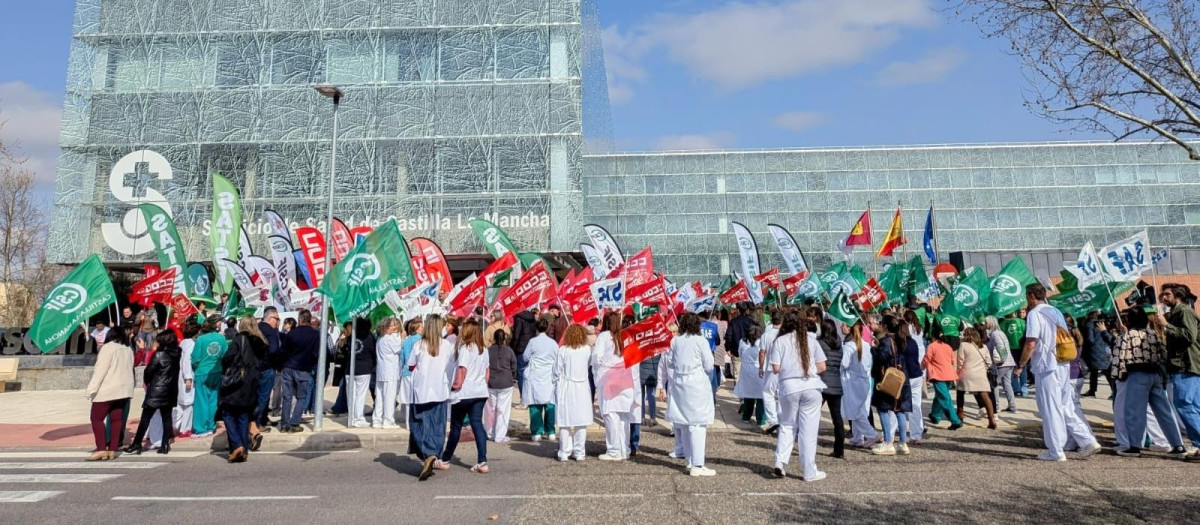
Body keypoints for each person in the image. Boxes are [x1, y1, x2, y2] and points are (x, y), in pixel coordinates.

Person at [1014, 283, 1101, 461]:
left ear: (1031, 296)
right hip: (1063, 362)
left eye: (1026, 296)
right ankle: (1087, 440)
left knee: (1050, 407)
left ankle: (1055, 450)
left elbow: (1031, 342)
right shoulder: (1055, 311)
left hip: (1046, 364)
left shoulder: (1035, 314)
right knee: (1065, 404)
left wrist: (1021, 364)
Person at [1114, 306, 1188, 458]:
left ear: (1129, 320)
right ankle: (1178, 445)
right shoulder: (1152, 334)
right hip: (1154, 373)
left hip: (1136, 373)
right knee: (1164, 411)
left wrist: (1118, 375)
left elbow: (1119, 356)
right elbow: (1163, 353)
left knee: (1134, 412)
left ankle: (1134, 446)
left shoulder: (1126, 335)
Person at [771, 308, 827, 481]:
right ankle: (809, 471)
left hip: (789, 387)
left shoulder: (780, 341)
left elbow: (776, 368)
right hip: (811, 386)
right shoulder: (811, 341)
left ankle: (780, 461)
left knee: (787, 425)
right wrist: (807, 369)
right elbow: (822, 366)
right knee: (808, 431)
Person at [660, 313, 716, 476]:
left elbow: (671, 362)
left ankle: (690, 461)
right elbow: (709, 364)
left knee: (684, 423)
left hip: (679, 383)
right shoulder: (700, 341)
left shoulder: (675, 341)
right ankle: (698, 465)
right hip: (696, 383)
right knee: (698, 425)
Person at [1155, 284, 1200, 459]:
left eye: (1167, 294)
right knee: (1194, 406)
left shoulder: (1184, 312)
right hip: (1187, 364)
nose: (1164, 298)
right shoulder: (1178, 312)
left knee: (1184, 404)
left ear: (1177, 296)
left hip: (1186, 364)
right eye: (1162, 294)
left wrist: (1167, 325)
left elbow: (1189, 336)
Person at [408, 314, 455, 481]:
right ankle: (433, 452)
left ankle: (426, 453)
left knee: (419, 423)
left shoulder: (419, 344)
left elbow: (410, 364)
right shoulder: (447, 345)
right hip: (439, 389)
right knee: (437, 424)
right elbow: (451, 365)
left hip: (421, 389)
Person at [441, 318, 491, 474]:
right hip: (480, 390)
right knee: (477, 424)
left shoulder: (465, 349)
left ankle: (445, 458)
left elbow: (462, 370)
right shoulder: (484, 349)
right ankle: (482, 460)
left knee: (456, 426)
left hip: (465, 391)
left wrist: (455, 386)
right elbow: (487, 372)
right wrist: (483, 384)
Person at [593, 311, 641, 461]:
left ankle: (614, 450)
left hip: (609, 380)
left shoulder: (604, 336)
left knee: (610, 415)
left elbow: (596, 357)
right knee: (623, 417)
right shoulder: (625, 335)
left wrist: (599, 372)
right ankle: (624, 449)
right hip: (626, 379)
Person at [125, 331, 181, 455]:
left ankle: (137, 443)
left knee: (145, 418)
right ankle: (165, 444)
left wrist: (149, 382)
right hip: (170, 390)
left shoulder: (159, 355)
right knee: (166, 419)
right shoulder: (177, 353)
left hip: (156, 390)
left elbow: (148, 372)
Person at [85, 326, 135, 461]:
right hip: (123, 390)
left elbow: (100, 369)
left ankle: (101, 448)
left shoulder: (108, 348)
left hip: (107, 389)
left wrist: (91, 389)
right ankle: (112, 449)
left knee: (96, 418)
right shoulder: (128, 349)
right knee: (116, 419)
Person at [219, 317, 264, 463]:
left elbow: (227, 358)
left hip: (237, 383)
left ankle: (237, 445)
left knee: (228, 413)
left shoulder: (240, 339)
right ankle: (243, 449)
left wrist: (228, 370)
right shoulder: (261, 341)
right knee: (244, 416)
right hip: (252, 384)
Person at [872, 316, 915, 456]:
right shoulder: (902, 339)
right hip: (902, 378)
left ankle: (888, 442)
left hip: (888, 379)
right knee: (899, 410)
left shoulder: (886, 341)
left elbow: (882, 358)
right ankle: (902, 442)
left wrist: (874, 349)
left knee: (883, 409)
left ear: (885, 326)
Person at [555, 324, 594, 462]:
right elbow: (590, 364)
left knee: (565, 421)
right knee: (580, 421)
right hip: (582, 387)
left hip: (567, 387)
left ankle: (564, 452)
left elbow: (556, 370)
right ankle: (579, 452)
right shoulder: (587, 350)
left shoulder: (563, 350)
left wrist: (556, 382)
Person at [279, 310, 320, 433]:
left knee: (287, 397)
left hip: (288, 367)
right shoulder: (315, 335)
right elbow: (316, 354)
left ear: (300, 319)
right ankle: (294, 423)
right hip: (303, 368)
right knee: (301, 397)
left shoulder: (292, 333)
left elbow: (283, 351)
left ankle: (284, 424)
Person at [841, 320, 876, 447]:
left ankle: (872, 434)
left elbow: (844, 364)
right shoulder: (866, 344)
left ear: (850, 329)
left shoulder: (849, 346)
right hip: (864, 381)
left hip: (853, 382)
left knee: (855, 411)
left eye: (844, 325)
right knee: (859, 409)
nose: (841, 326)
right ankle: (857, 437)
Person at [191, 316, 227, 438]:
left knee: (201, 400)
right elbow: (225, 356)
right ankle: (210, 426)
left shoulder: (200, 339)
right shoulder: (221, 339)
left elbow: (195, 358)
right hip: (217, 371)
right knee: (213, 400)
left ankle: (201, 428)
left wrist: (197, 368)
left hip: (202, 371)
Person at [523, 316, 558, 442]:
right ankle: (551, 431)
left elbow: (525, 357)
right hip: (549, 375)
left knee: (535, 404)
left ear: (537, 328)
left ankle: (537, 432)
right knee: (550, 404)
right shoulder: (553, 343)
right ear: (547, 328)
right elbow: (557, 358)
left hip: (536, 375)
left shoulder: (532, 342)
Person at [814, 319, 844, 458]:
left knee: (812, 415)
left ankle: (808, 444)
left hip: (822, 381)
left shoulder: (819, 343)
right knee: (837, 418)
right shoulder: (839, 344)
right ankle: (839, 449)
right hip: (836, 382)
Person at [956, 327, 998, 429]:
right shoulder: (983, 346)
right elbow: (989, 362)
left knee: (960, 393)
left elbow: (960, 361)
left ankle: (960, 415)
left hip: (966, 373)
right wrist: (982, 369)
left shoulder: (963, 345)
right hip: (980, 375)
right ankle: (991, 419)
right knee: (985, 396)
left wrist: (957, 372)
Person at [923, 327, 963, 430]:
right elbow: (952, 361)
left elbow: (927, 359)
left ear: (933, 337)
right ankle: (935, 415)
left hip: (938, 375)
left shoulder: (931, 346)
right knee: (940, 395)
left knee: (944, 398)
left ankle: (955, 421)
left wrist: (920, 368)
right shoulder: (948, 347)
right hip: (949, 374)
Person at [485, 330, 517, 442]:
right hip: (506, 382)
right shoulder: (509, 351)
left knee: (490, 409)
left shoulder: (488, 351)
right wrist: (512, 376)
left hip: (491, 382)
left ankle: (490, 433)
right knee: (503, 410)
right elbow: (514, 365)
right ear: (504, 338)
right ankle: (500, 435)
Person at [255, 308, 282, 434]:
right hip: (267, 367)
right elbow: (274, 351)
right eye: (277, 319)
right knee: (264, 396)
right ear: (270, 318)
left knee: (257, 396)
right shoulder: (271, 332)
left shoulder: (257, 328)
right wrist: (278, 365)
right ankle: (259, 423)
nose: (278, 322)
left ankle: (263, 419)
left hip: (256, 367)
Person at [735, 320, 767, 426]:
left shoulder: (742, 341)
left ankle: (746, 417)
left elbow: (739, 354)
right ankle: (760, 419)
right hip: (759, 370)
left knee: (748, 394)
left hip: (746, 371)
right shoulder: (762, 342)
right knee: (760, 396)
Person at [348, 318, 377, 428]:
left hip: (350, 369)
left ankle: (352, 417)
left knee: (351, 395)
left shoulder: (351, 336)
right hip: (364, 369)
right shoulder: (369, 337)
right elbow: (374, 352)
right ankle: (358, 418)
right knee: (360, 395)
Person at [374, 318, 403, 429]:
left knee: (380, 397)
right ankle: (388, 420)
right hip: (390, 371)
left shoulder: (380, 339)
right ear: (385, 327)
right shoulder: (389, 339)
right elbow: (399, 349)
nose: (394, 328)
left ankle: (377, 419)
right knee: (389, 397)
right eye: (391, 326)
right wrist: (402, 338)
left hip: (382, 371)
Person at [172, 318, 199, 437]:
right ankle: (185, 428)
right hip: (186, 376)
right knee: (188, 403)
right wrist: (188, 377)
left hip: (180, 375)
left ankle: (175, 426)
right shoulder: (191, 344)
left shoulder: (183, 343)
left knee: (181, 403)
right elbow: (187, 361)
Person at [903, 310, 927, 441]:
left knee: (908, 404)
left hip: (910, 370)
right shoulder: (919, 329)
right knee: (917, 403)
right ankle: (918, 432)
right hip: (918, 365)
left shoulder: (908, 332)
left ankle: (909, 431)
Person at [986, 316, 1017, 413]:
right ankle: (1012, 406)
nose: (984, 324)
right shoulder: (1000, 332)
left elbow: (1000, 345)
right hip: (1009, 362)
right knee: (1007, 384)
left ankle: (996, 406)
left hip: (1002, 363)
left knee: (994, 384)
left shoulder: (995, 334)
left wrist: (1002, 359)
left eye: (986, 322)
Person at [760, 312, 784, 434]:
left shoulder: (766, 335)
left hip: (770, 368)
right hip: (783, 369)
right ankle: (780, 419)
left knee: (767, 393)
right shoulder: (785, 335)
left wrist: (760, 367)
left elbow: (762, 353)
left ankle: (773, 420)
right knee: (781, 394)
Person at [1081, 312, 1115, 398]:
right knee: (1106, 371)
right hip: (1104, 350)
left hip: (1094, 351)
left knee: (1094, 371)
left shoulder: (1089, 324)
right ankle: (1113, 390)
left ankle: (1092, 391)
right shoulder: (1102, 322)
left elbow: (1090, 339)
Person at [398, 317, 423, 427]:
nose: (423, 328)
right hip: (415, 371)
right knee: (416, 398)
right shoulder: (419, 340)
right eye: (421, 326)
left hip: (406, 371)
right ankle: (414, 421)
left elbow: (402, 358)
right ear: (417, 328)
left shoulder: (406, 340)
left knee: (407, 399)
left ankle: (408, 422)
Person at [511, 309, 538, 405]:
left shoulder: (519, 318)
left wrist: (513, 348)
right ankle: (530, 396)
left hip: (521, 349)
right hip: (531, 348)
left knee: (521, 374)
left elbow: (516, 335)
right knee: (530, 373)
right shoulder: (533, 318)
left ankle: (524, 399)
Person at [1002, 311, 1028, 396]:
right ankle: (1024, 389)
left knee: (1012, 368)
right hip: (1022, 347)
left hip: (1010, 348)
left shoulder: (1003, 323)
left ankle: (1016, 388)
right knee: (1023, 367)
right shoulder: (1023, 322)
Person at [699, 311, 723, 397]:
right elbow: (718, 341)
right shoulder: (713, 326)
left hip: (698, 355)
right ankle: (712, 399)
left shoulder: (696, 327)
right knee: (711, 378)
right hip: (710, 354)